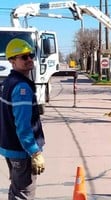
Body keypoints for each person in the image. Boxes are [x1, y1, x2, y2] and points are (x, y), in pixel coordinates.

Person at [0, 38, 45, 199]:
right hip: (21, 151)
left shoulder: (9, 82)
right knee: (24, 194)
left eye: (30, 55)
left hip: (10, 147)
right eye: (23, 57)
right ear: (12, 61)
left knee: (16, 190)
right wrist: (34, 152)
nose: (29, 60)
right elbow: (23, 126)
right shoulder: (21, 87)